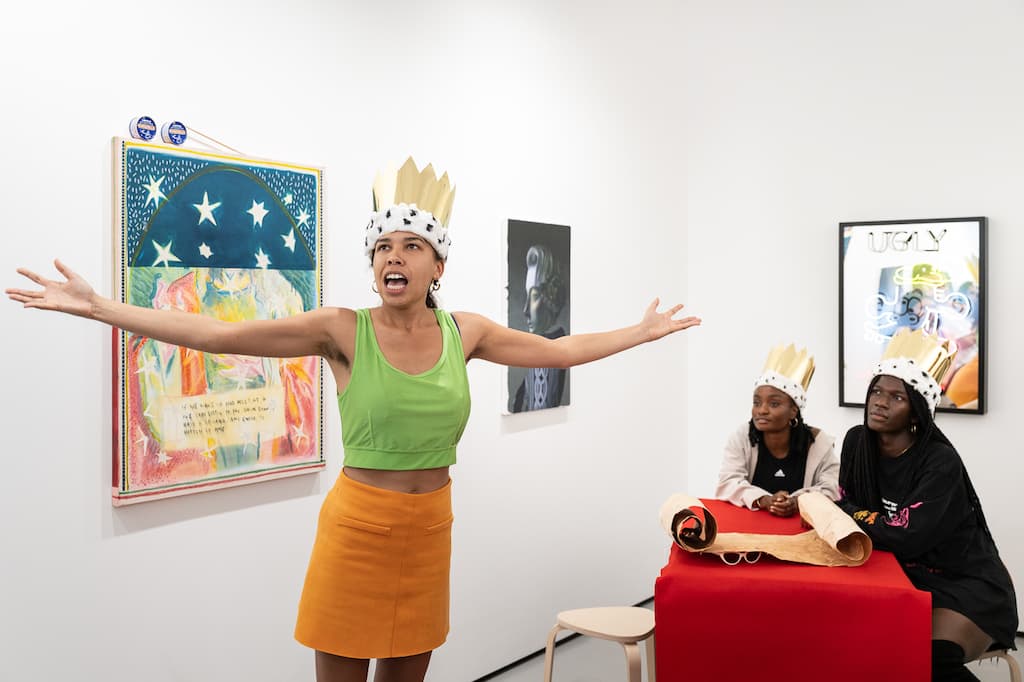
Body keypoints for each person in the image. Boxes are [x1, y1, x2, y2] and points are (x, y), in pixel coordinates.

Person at [5, 157, 701, 682]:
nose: (393, 256)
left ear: (437, 264)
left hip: (430, 530)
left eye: (411, 246)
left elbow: (559, 349)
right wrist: (101, 307)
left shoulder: (469, 332)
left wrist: (639, 333)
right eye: (382, 248)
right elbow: (216, 334)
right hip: (356, 530)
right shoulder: (341, 329)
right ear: (373, 267)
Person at [836, 328, 1017, 682]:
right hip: (901, 576)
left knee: (930, 659)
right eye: (876, 391)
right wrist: (860, 517)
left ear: (917, 411)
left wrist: (855, 517)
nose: (880, 402)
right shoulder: (857, 442)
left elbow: (906, 537)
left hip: (965, 584)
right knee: (856, 641)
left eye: (896, 397)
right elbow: (847, 504)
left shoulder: (939, 461)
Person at [715, 344, 839, 516]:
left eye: (774, 404)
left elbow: (832, 489)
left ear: (794, 410)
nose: (762, 410)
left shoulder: (818, 442)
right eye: (757, 402)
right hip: (752, 525)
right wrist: (765, 500)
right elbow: (728, 483)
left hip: (800, 529)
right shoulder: (742, 437)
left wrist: (796, 502)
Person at [512, 243, 568, 412]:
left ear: (550, 298)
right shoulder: (546, 346)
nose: (525, 310)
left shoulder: (550, 351)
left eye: (534, 296)